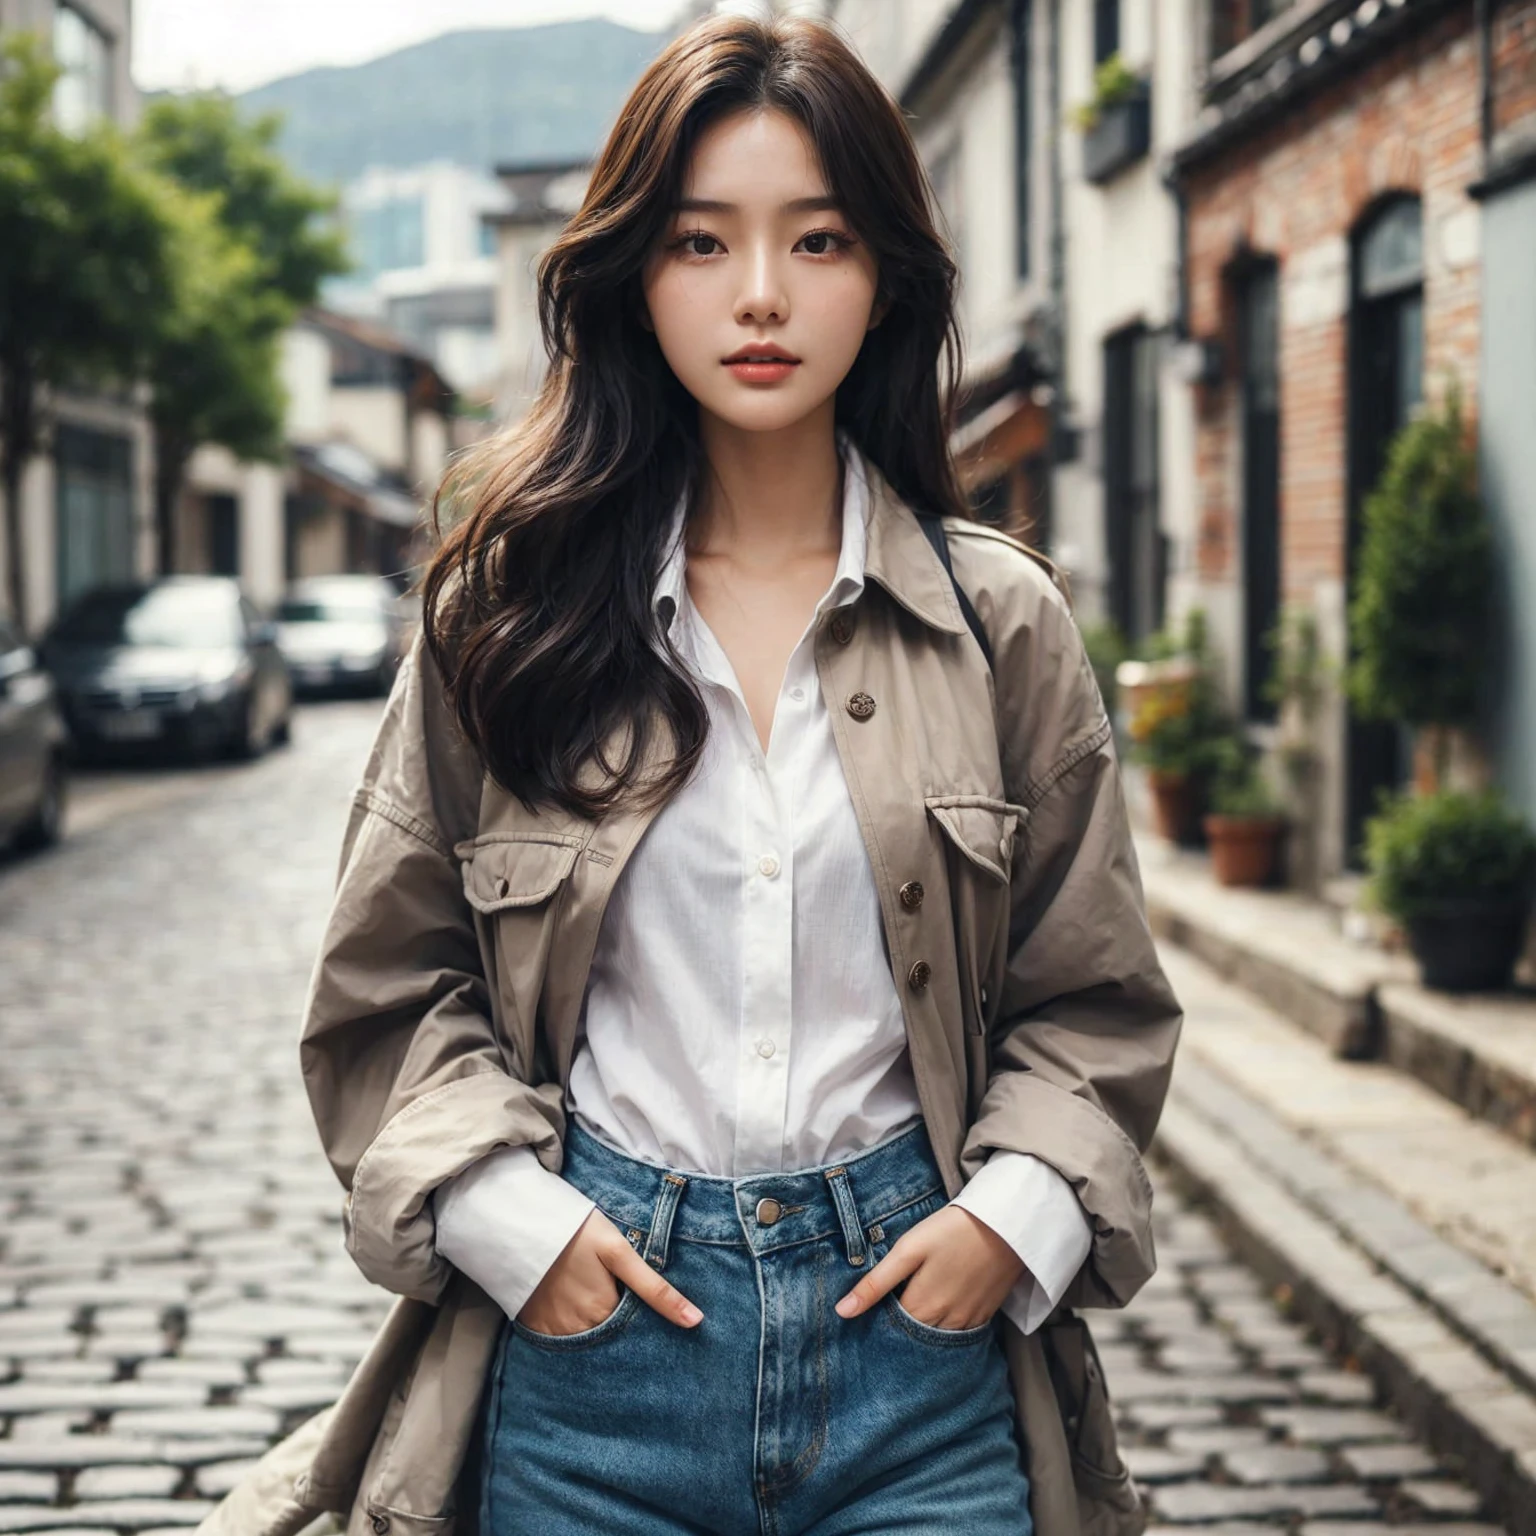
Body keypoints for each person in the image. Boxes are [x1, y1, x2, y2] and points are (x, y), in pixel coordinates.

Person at [201, 14, 1181, 1536]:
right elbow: (388, 987)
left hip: (920, 1362)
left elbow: (1093, 998)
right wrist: (520, 1228)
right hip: (597, 1368)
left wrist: (1009, 1221)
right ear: (632, 276)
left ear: (887, 278)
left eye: (821, 238)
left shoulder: (1003, 626)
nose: (765, 295)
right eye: (703, 242)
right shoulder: (504, 613)